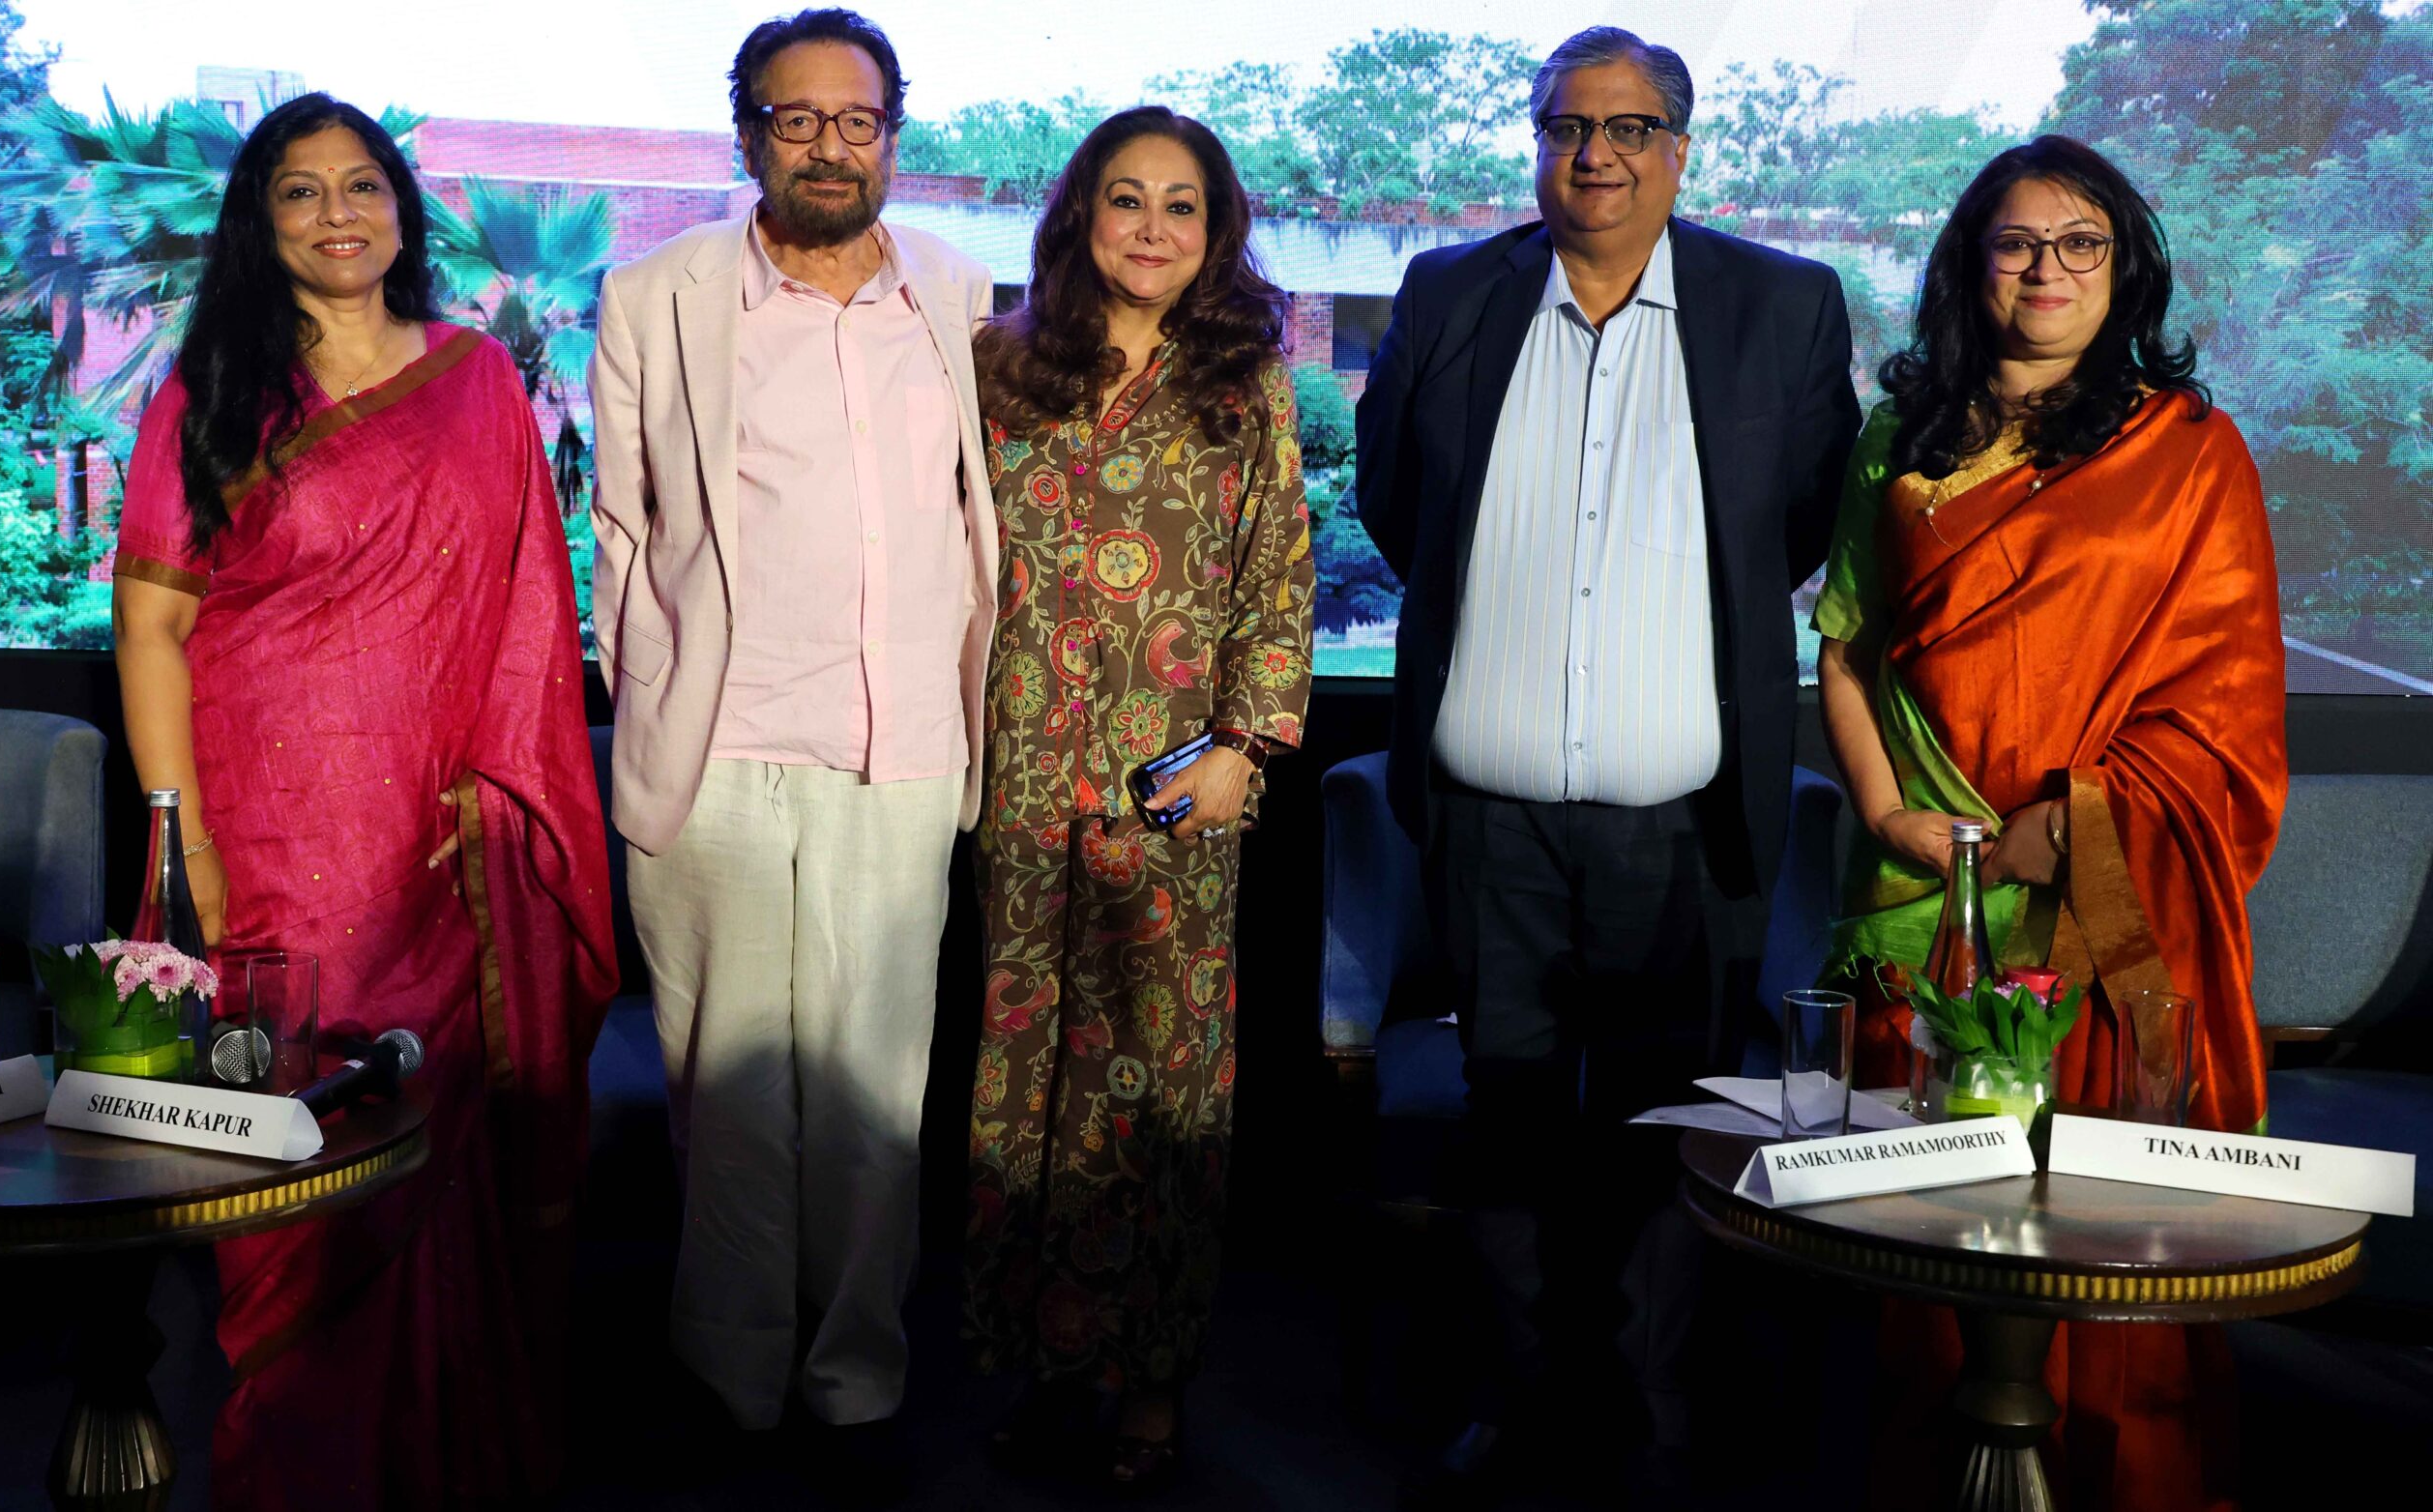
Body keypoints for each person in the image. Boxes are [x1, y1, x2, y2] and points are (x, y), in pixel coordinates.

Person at [1354, 24, 1861, 1501]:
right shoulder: (1454, 292)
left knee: (1666, 1135)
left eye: (1631, 129)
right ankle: (1521, 1405)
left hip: (1682, 822)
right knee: (1503, 1127)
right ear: (1537, 141)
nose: (1596, 155)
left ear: (1679, 150)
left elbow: (1801, 529)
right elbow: (1402, 503)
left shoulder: (1781, 303)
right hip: (1486, 816)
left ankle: (1651, 1424)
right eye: (1568, 125)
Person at [110, 94, 615, 1508]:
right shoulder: (209, 393)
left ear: (402, 210)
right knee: (289, 1154)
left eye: (364, 187)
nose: (339, 216)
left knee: (439, 1134)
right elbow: (150, 630)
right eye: (298, 194)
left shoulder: (473, 381)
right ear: (258, 228)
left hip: (444, 837)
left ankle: (452, 1458)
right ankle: (302, 1464)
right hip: (267, 838)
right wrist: (182, 842)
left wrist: (508, 795)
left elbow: (521, 612)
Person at [1814, 134, 2285, 1512]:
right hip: (1924, 894)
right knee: (1922, 1246)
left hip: (2100, 896)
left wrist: (2071, 828)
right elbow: (1849, 647)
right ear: (1972, 261)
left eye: (2081, 243)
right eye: (2018, 242)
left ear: (2124, 264)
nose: (2047, 270)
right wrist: (1895, 814)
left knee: (2092, 1234)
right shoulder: (1900, 438)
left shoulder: (2188, 450)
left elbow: (2229, 700)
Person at [586, 6, 997, 1470]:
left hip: (904, 751)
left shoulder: (956, 291)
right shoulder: (656, 293)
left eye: (857, 116)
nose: (829, 143)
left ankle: (855, 1375)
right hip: (718, 751)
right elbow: (623, 527)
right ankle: (734, 1370)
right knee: (728, 1089)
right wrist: (656, 697)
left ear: (894, 128)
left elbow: (974, 516)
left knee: (881, 1092)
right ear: (747, 130)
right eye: (795, 116)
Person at [961, 104, 1313, 1490]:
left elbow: (1278, 577)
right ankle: (1037, 1363)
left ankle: (1150, 1382)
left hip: (1175, 791)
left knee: (1160, 1090)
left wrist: (1247, 743)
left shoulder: (1250, 386)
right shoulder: (1001, 369)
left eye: (1182, 205)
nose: (1153, 228)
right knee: (1022, 1083)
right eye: (1127, 199)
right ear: (1079, 217)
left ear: (1217, 229)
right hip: (1026, 781)